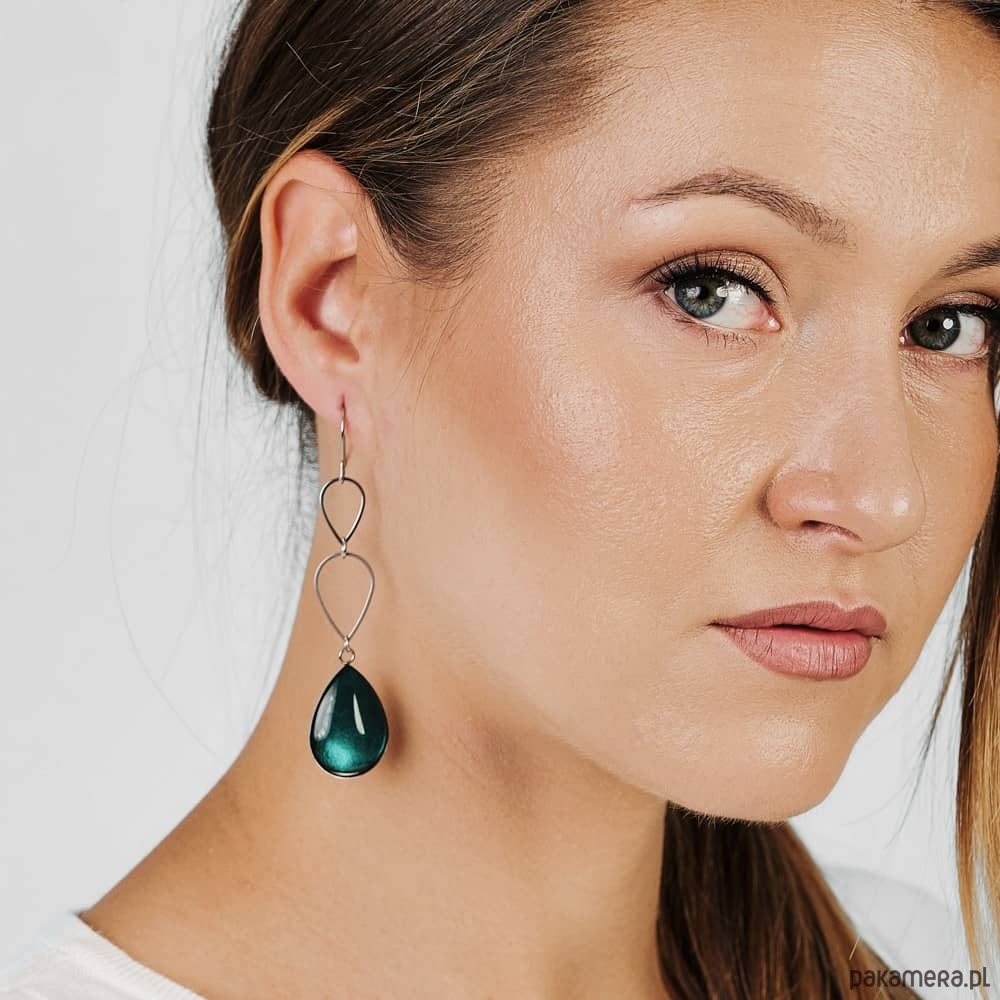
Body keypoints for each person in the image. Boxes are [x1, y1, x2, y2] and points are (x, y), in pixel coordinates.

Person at [2, 0, 999, 997]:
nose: (884, 498)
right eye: (711, 289)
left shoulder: (918, 963)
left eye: (950, 325)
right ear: (332, 294)